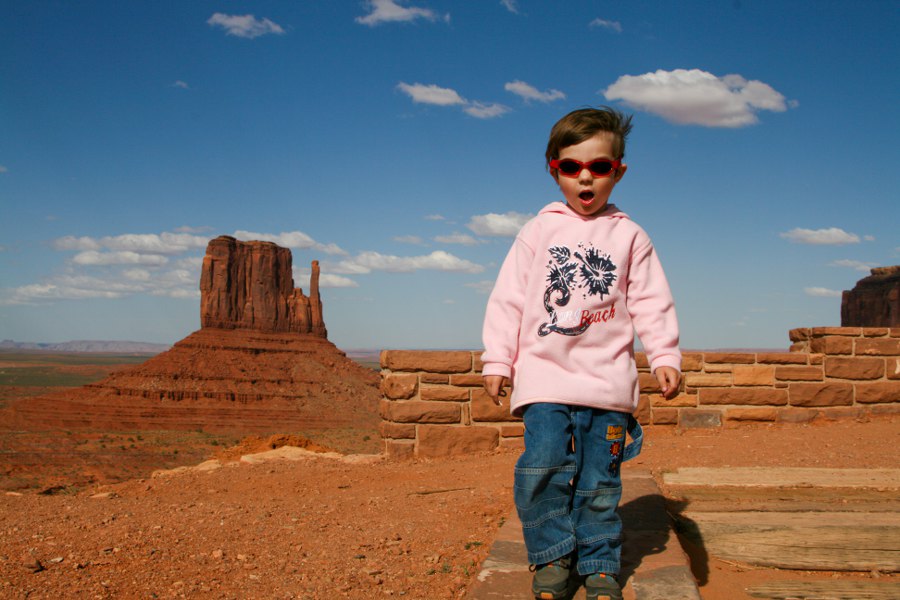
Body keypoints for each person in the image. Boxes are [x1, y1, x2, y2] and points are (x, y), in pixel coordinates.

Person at [481, 106, 681, 600]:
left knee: (600, 481)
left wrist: (664, 356)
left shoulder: (630, 236)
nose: (585, 177)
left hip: (607, 385)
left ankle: (598, 563)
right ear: (554, 168)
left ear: (619, 170)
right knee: (543, 467)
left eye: (599, 166)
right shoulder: (538, 230)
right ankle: (552, 557)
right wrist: (497, 360)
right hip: (545, 379)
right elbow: (508, 298)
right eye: (571, 167)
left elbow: (651, 301)